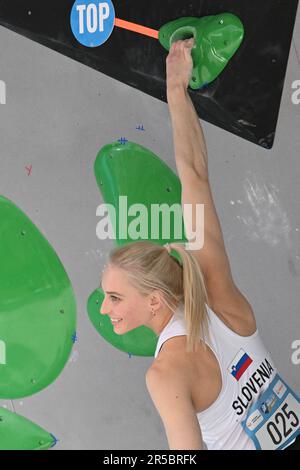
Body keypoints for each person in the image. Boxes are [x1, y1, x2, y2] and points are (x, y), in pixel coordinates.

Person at [100, 38, 300, 450]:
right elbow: (195, 173)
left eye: (116, 297)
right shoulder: (217, 297)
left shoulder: (165, 373)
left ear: (155, 300)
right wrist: (176, 88)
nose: (105, 308)